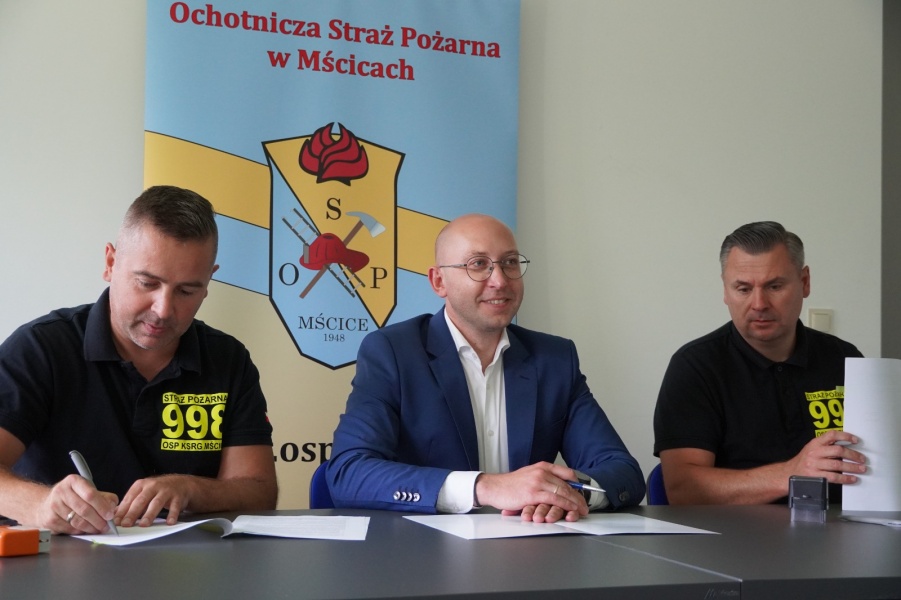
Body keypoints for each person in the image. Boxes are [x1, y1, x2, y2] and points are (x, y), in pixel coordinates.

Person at [327, 213, 644, 523]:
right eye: (478, 264)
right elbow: (349, 472)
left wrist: (565, 494)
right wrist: (486, 487)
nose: (500, 280)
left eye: (510, 262)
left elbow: (622, 471)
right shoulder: (393, 353)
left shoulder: (555, 359)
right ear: (439, 281)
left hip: (532, 547)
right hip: (425, 550)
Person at [0, 185, 278, 534]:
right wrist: (42, 505)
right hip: (58, 558)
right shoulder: (41, 349)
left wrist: (191, 489)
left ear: (209, 281)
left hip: (188, 563)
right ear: (111, 263)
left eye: (186, 290)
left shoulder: (228, 359)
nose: (163, 309)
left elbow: (260, 492)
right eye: (147, 283)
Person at [653, 221, 867, 504]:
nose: (759, 304)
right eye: (743, 289)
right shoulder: (695, 367)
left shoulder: (845, 358)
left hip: (842, 527)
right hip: (734, 532)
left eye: (774, 286)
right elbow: (683, 490)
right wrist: (791, 473)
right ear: (725, 290)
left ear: (805, 282)